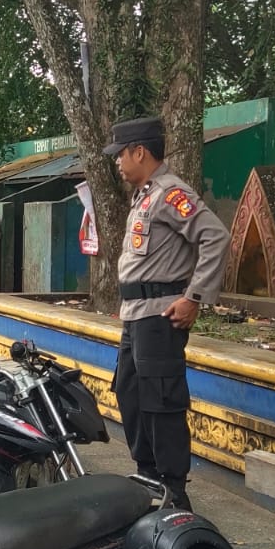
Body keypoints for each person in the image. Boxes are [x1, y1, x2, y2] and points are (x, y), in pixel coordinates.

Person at [104, 117, 229, 511]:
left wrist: (194, 296)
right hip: (137, 313)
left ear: (139, 151)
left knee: (161, 401)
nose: (118, 163)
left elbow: (215, 237)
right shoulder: (144, 195)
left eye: (121, 155)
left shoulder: (172, 193)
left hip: (160, 315)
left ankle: (173, 490)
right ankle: (147, 475)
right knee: (130, 392)